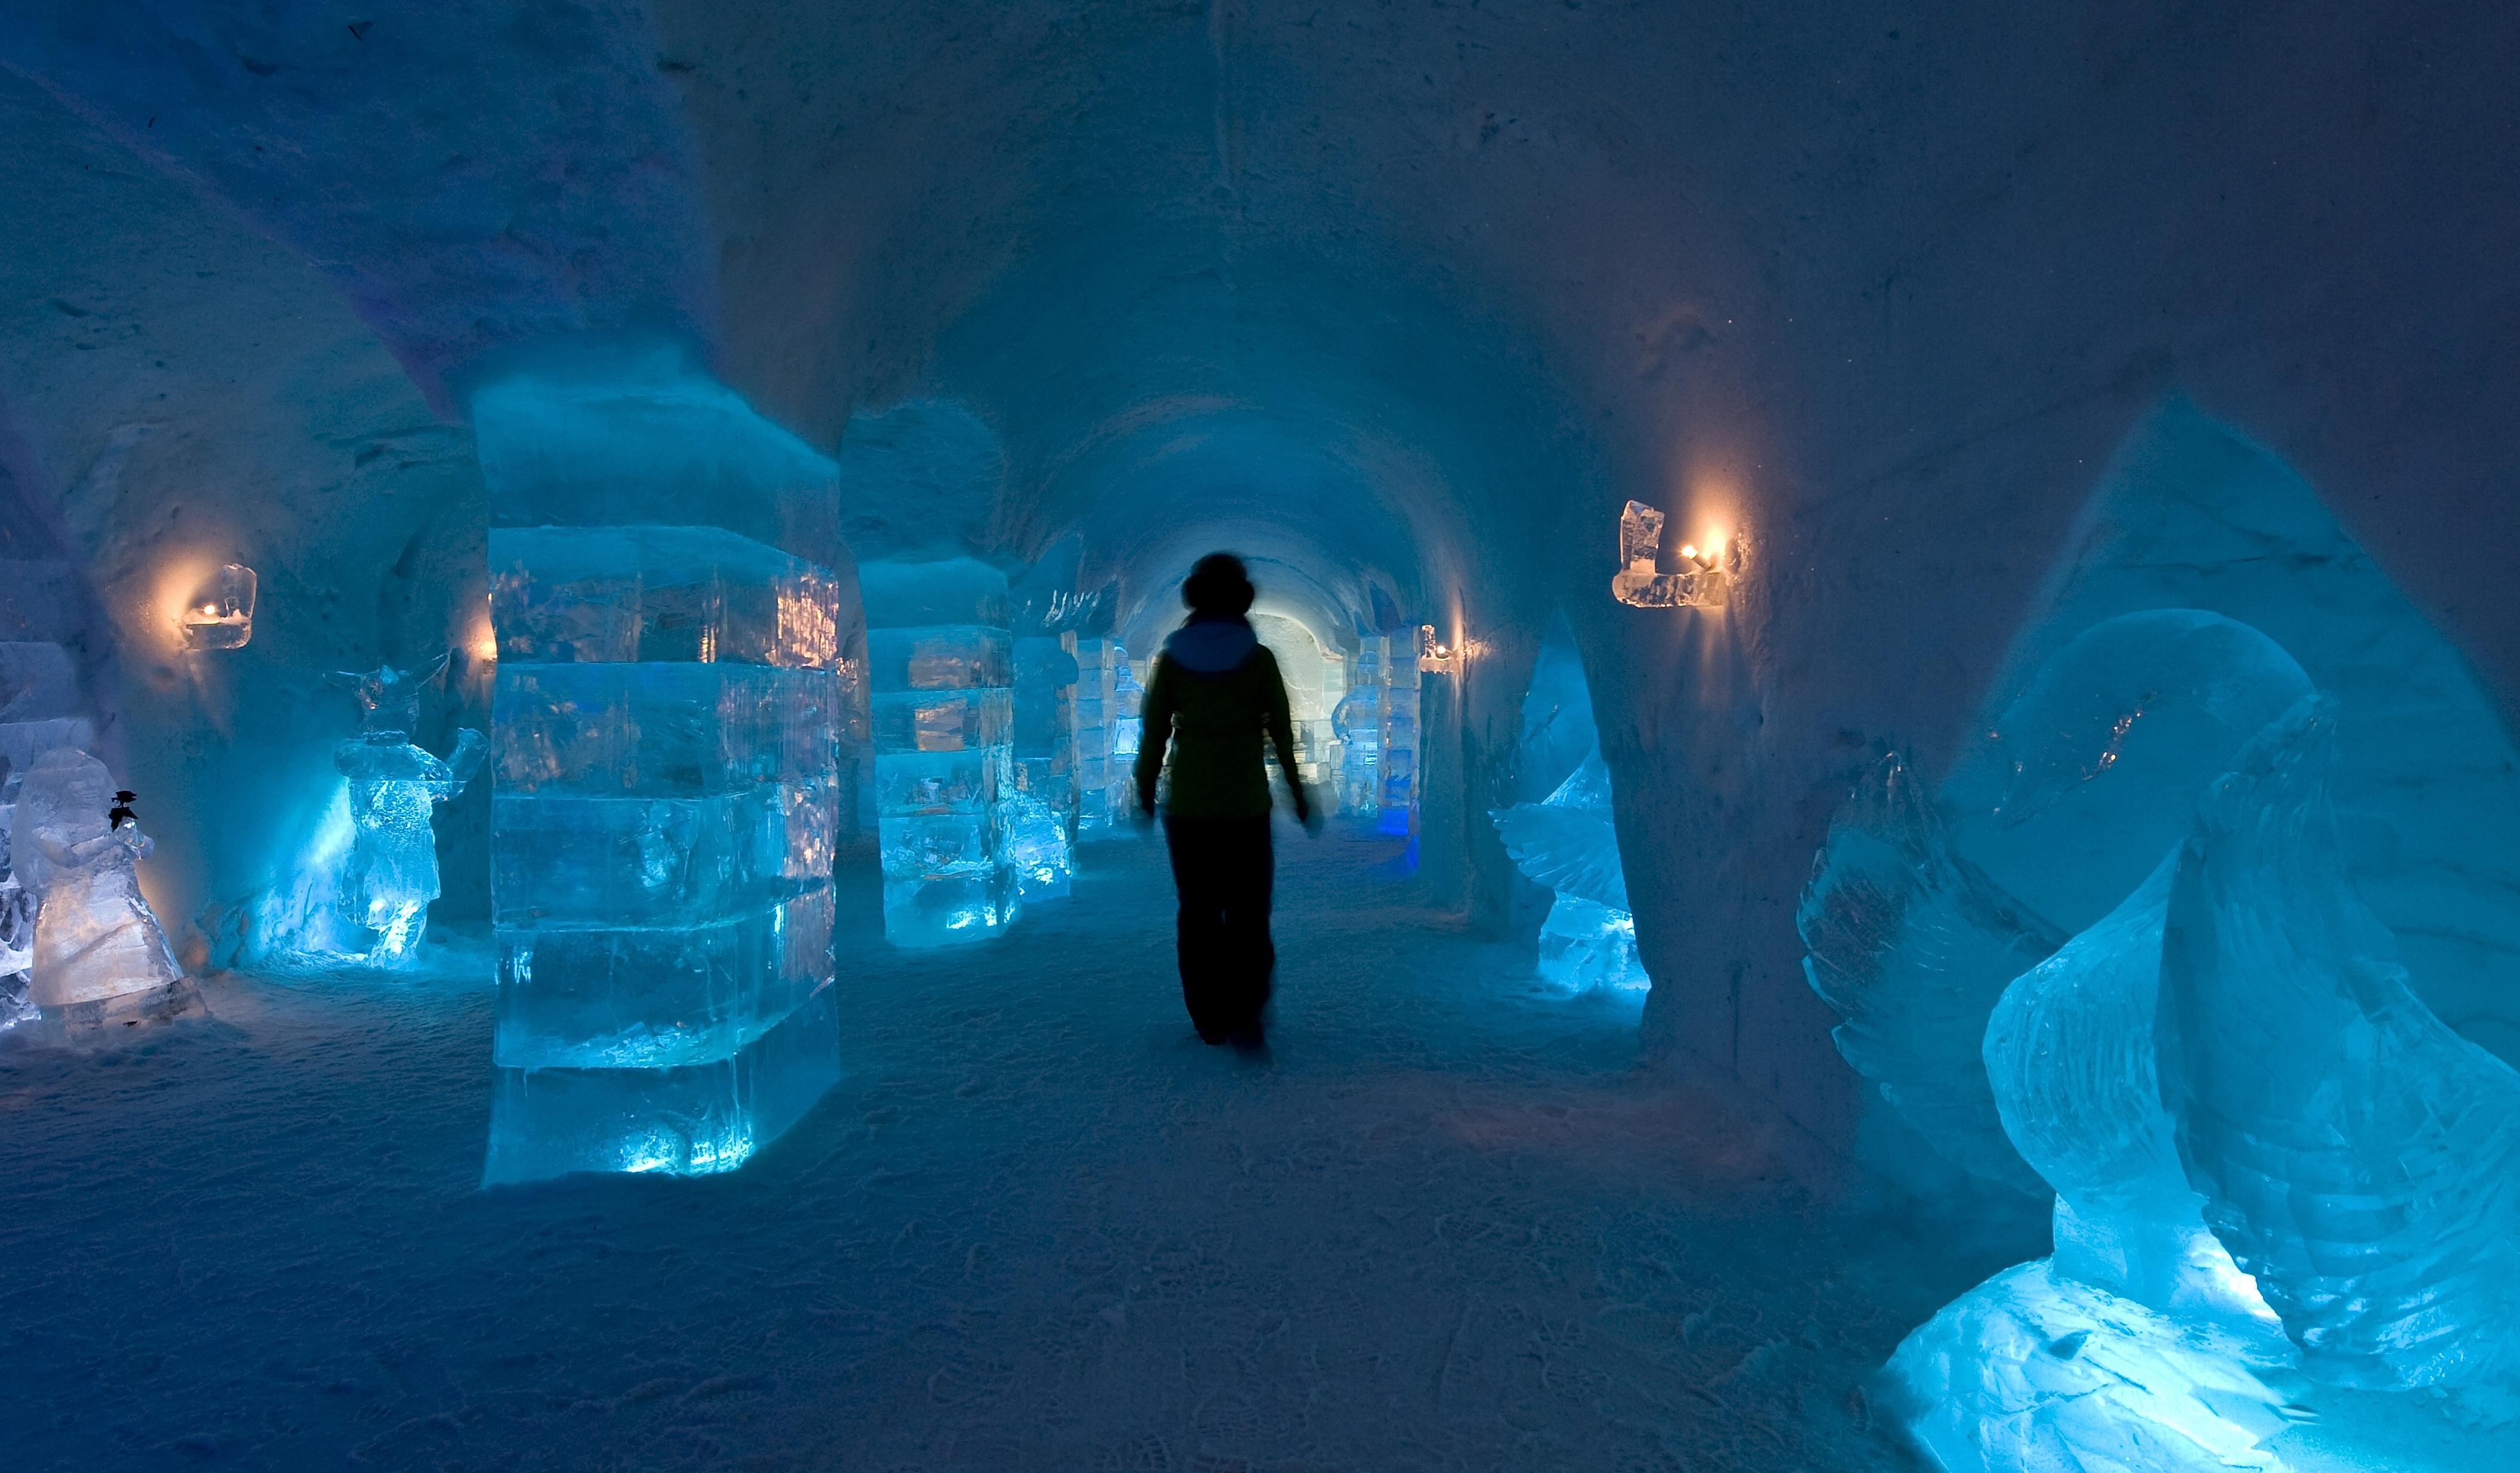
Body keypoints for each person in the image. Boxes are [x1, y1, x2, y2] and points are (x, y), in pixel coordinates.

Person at [1134, 553, 1314, 1047]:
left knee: (1197, 912)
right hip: (1244, 803)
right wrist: (1297, 793)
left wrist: (1145, 788)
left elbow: (1154, 733)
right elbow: (1280, 732)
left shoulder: (1173, 661)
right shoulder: (1258, 661)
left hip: (1189, 802)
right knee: (1249, 911)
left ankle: (1208, 1016)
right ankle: (1247, 1007)